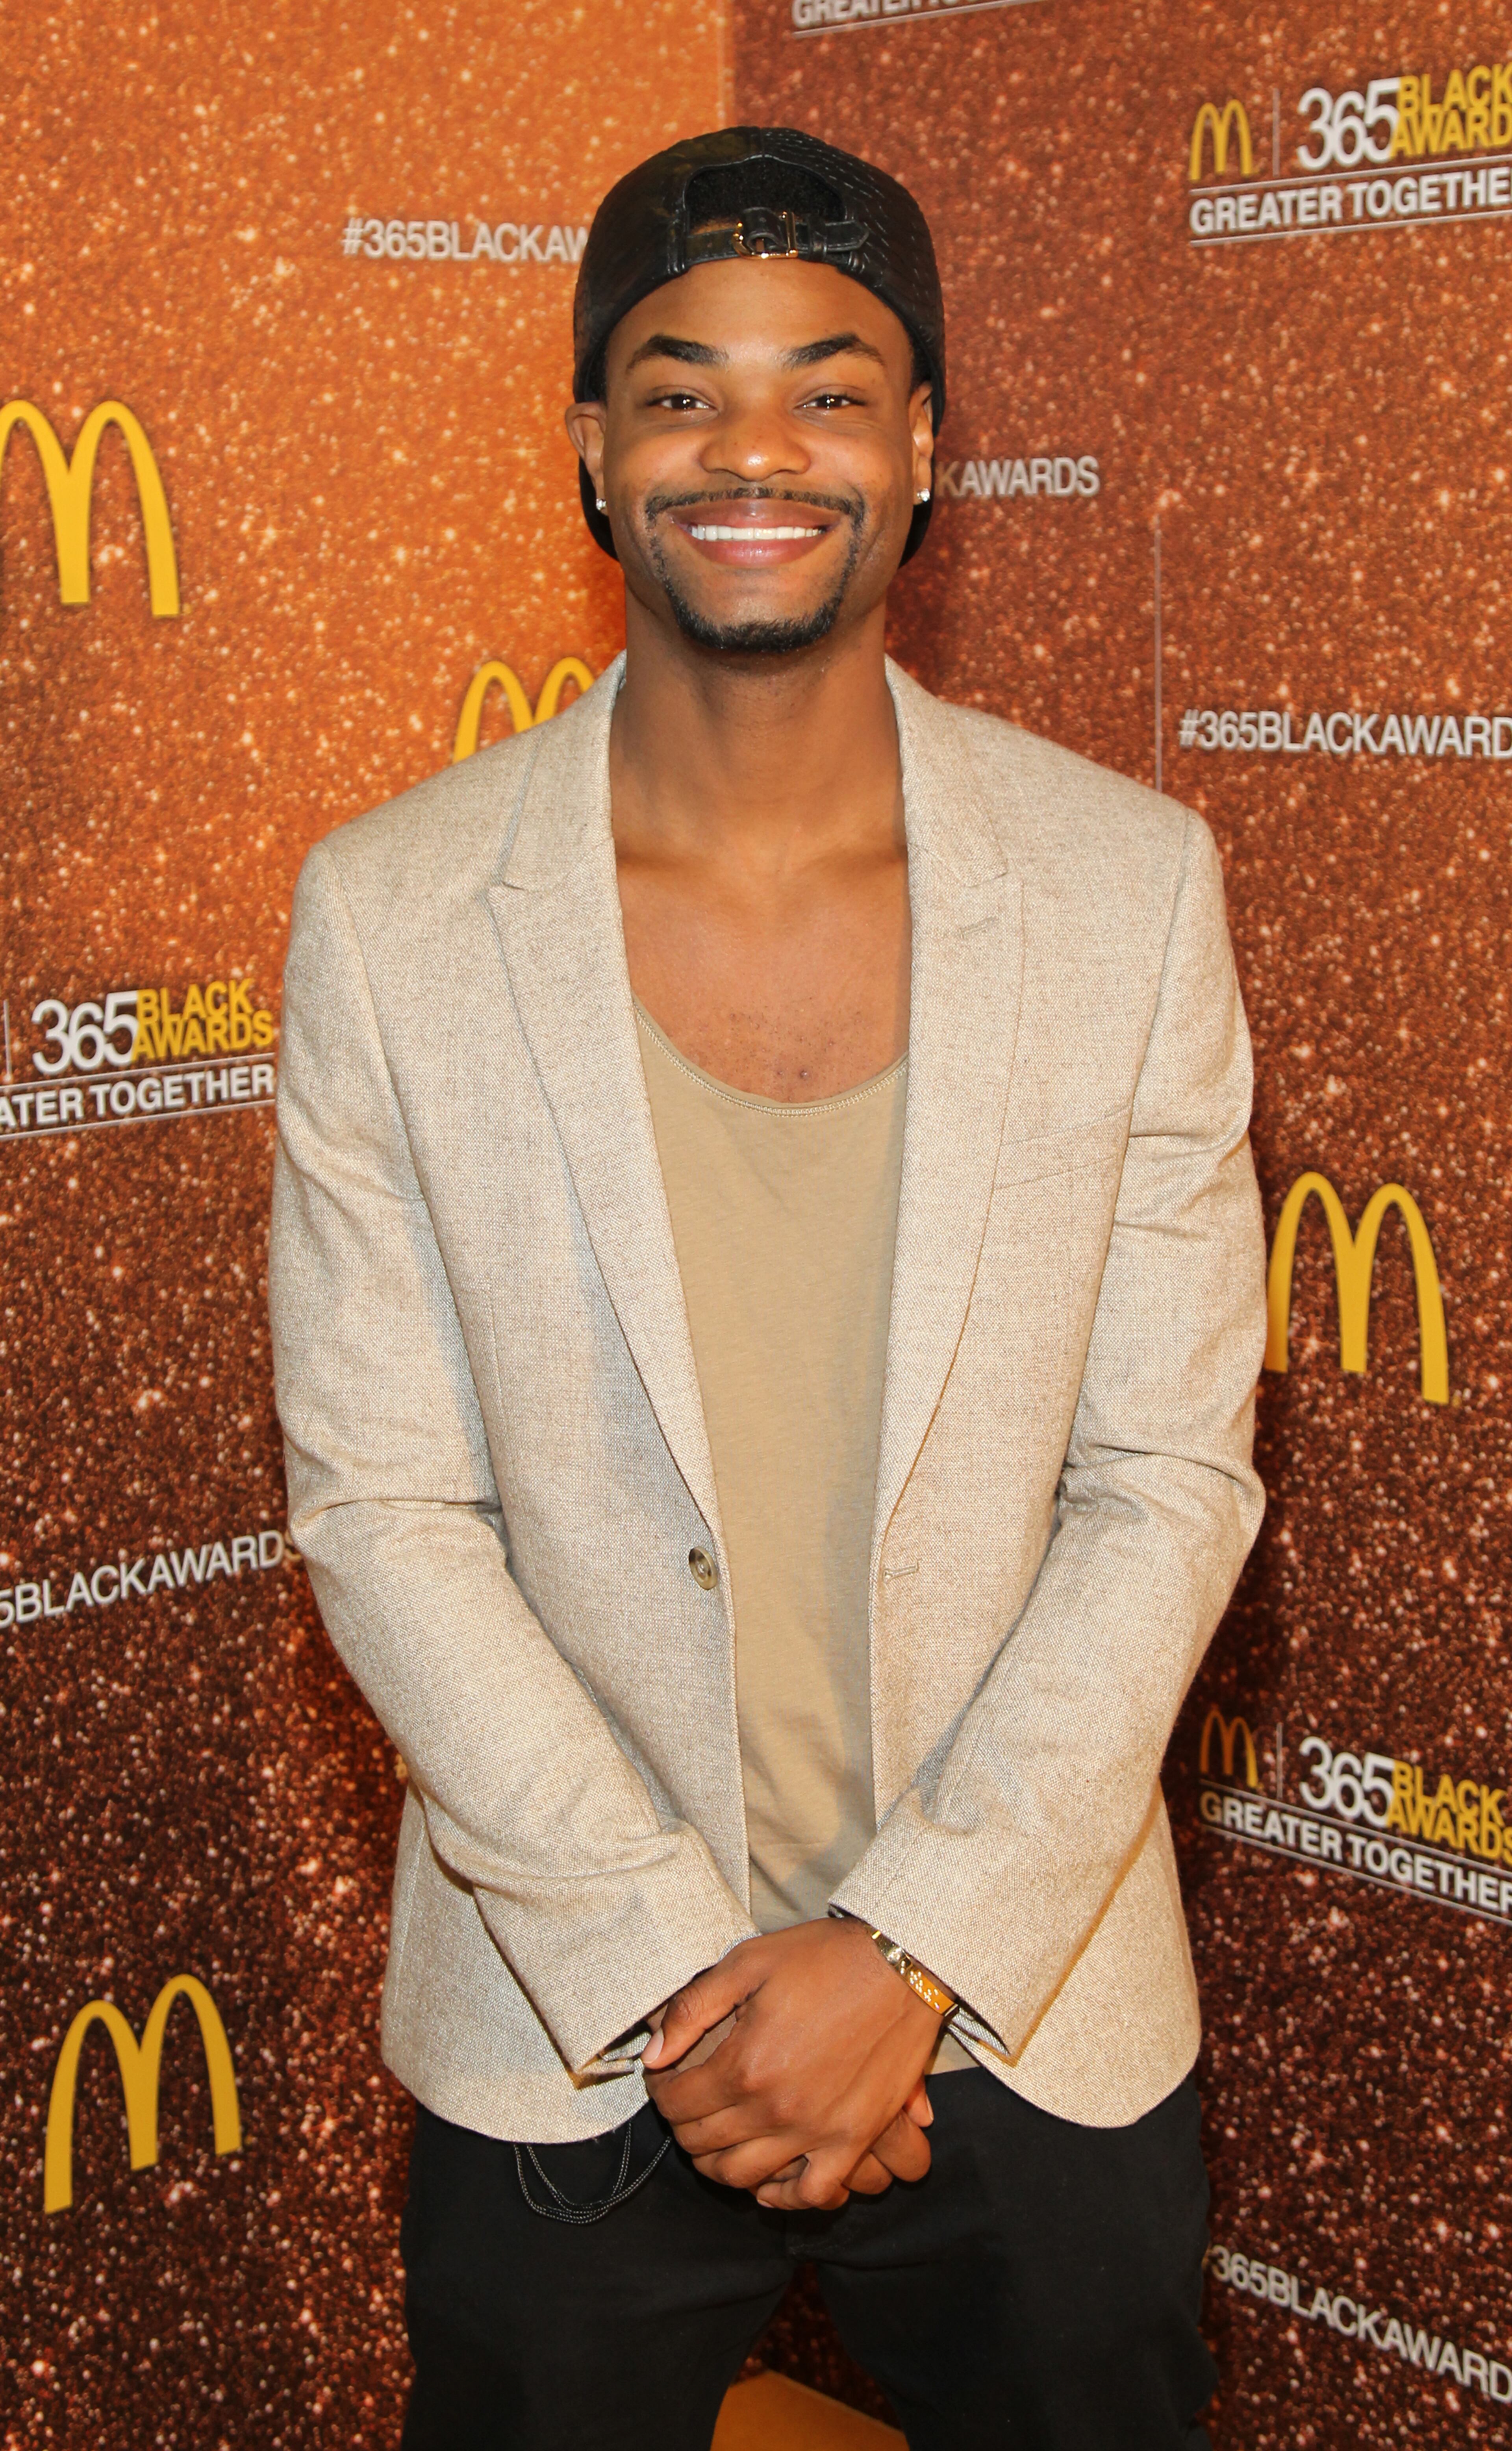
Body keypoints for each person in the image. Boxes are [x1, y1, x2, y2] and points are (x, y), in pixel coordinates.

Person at [269, 126, 1266, 2451]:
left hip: (1027, 1992)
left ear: (924, 448)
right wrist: (683, 1976)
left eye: (829, 388)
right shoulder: (392, 914)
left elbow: (1165, 1477)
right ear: (591, 447)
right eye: (681, 388)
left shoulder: (1129, 888)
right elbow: (383, 1505)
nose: (755, 449)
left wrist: (905, 1953)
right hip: (572, 2006)